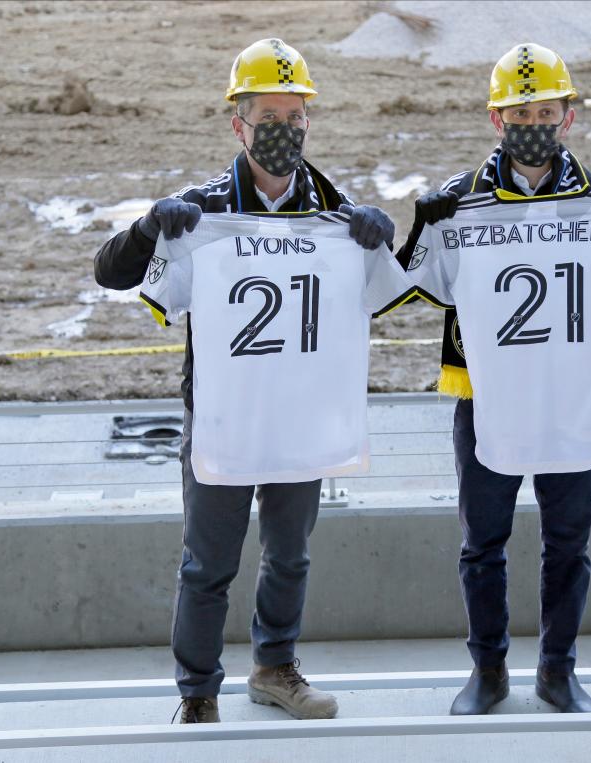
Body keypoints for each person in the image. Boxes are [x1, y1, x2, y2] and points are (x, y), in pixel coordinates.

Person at [94, 39, 395, 724]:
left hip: (300, 416)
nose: (283, 129)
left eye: (296, 115)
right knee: (208, 564)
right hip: (225, 416)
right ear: (239, 123)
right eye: (268, 116)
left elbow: (387, 289)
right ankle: (197, 690)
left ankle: (275, 667)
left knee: (289, 555)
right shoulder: (201, 212)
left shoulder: (335, 213)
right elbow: (108, 273)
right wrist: (147, 229)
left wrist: (382, 236)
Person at [398, 43, 591, 715]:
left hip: (569, 394)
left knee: (569, 544)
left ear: (568, 115)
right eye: (517, 112)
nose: (531, 122)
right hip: (486, 396)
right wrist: (423, 221)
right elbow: (400, 285)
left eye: (544, 109)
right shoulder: (461, 205)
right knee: (482, 543)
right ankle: (489, 670)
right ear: (493, 120)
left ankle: (557, 671)